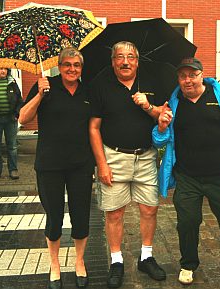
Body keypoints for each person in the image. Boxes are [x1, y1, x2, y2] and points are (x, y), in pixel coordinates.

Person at [152, 57, 220, 285]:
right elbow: (159, 140)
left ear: (201, 75)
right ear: (178, 79)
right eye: (183, 76)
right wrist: (161, 126)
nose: (188, 80)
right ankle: (188, 264)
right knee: (187, 222)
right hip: (187, 176)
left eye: (193, 75)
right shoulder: (174, 101)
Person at [89, 41, 167, 288]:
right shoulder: (101, 85)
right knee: (114, 213)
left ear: (137, 60)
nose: (125, 62)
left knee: (149, 209)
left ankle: (146, 256)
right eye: (120, 57)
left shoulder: (151, 83)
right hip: (114, 156)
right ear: (113, 61)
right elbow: (93, 128)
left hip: (146, 156)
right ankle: (116, 260)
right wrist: (102, 164)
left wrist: (148, 106)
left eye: (130, 57)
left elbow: (163, 116)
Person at [19, 47, 94, 289]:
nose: (72, 69)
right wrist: (40, 95)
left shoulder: (88, 90)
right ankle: (54, 265)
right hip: (49, 164)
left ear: (81, 68)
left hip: (81, 164)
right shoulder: (46, 86)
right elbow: (23, 118)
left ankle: (79, 262)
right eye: (67, 65)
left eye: (77, 65)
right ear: (59, 66)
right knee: (54, 217)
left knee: (81, 215)